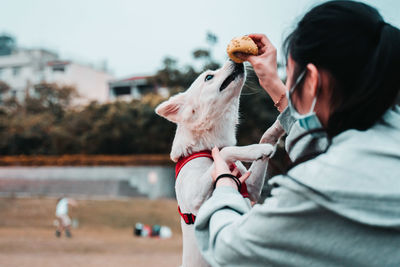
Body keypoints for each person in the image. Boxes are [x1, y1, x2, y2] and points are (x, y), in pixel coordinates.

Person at [194, 1, 400, 266]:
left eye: (290, 74)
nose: (287, 84)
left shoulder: (315, 191)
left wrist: (225, 185)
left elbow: (227, 250)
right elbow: (327, 145)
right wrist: (274, 85)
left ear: (312, 80)